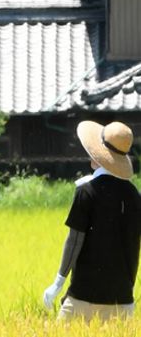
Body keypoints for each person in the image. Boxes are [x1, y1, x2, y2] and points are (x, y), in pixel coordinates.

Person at [43, 120, 141, 322]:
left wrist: (58, 283)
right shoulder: (134, 195)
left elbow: (74, 240)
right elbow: (134, 244)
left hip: (84, 296)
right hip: (123, 300)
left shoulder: (87, 191)